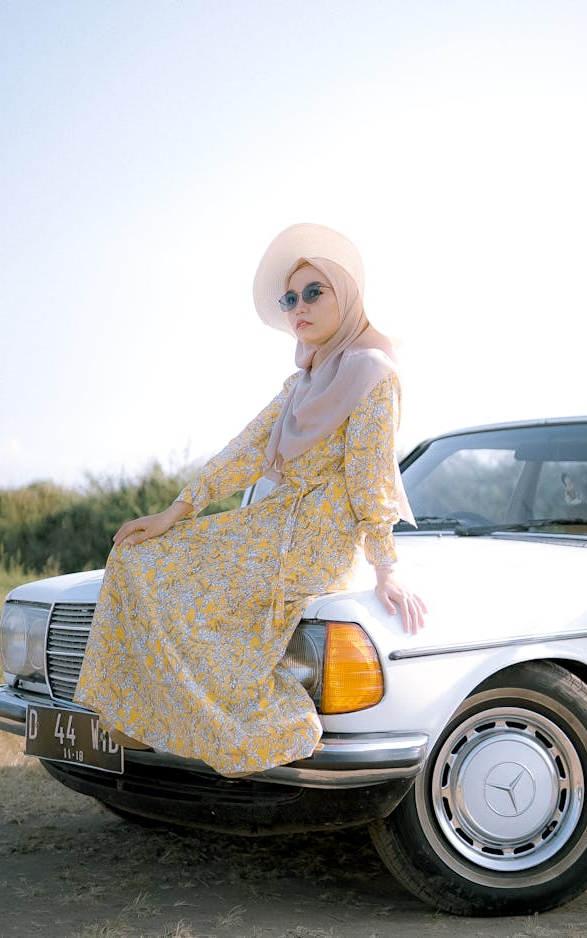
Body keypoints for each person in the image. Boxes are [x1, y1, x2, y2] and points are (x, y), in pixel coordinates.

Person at [74, 223, 427, 777]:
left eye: (315, 292)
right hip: (271, 526)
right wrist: (175, 511)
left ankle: (245, 726)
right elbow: (245, 448)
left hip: (319, 543)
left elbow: (370, 476)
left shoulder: (373, 374)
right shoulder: (302, 383)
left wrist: (385, 567)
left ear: (349, 297)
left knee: (169, 578)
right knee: (136, 557)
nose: (299, 308)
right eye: (290, 299)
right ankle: (143, 717)